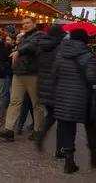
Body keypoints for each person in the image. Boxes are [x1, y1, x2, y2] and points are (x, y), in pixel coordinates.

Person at [53, 28, 96, 174]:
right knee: (90, 125)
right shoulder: (88, 55)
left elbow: (54, 74)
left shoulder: (61, 54)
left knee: (67, 127)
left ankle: (69, 161)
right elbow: (92, 78)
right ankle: (94, 156)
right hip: (83, 97)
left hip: (63, 96)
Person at [0, 16, 46, 142]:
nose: (25, 25)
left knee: (36, 103)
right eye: (23, 23)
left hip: (32, 73)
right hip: (19, 73)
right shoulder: (23, 37)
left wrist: (19, 51)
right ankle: (9, 129)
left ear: (34, 23)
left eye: (28, 23)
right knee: (14, 102)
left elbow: (32, 46)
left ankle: (38, 130)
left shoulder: (39, 35)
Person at [34, 24, 65, 153]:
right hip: (58, 87)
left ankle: (40, 134)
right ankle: (60, 148)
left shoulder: (41, 47)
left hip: (43, 85)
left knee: (51, 115)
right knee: (63, 119)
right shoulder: (60, 48)